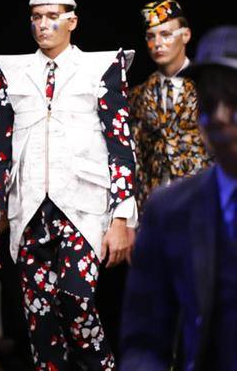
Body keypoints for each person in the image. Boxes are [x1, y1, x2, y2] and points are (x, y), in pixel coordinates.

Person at [0, 0, 137, 370]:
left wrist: (122, 217)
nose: (43, 25)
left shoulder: (102, 67)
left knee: (77, 298)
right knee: (40, 320)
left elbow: (120, 143)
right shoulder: (11, 72)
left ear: (73, 20)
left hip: (82, 206)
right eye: (36, 17)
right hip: (29, 207)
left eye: (52, 16)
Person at [121, 25, 237, 371]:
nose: (218, 116)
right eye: (208, 100)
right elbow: (143, 340)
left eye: (232, 99)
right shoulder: (171, 209)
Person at [129, 0, 211, 211]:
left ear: (185, 35)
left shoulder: (208, 87)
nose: (157, 43)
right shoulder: (137, 96)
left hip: (203, 204)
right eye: (150, 36)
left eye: (166, 34)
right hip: (154, 209)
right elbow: (134, 159)